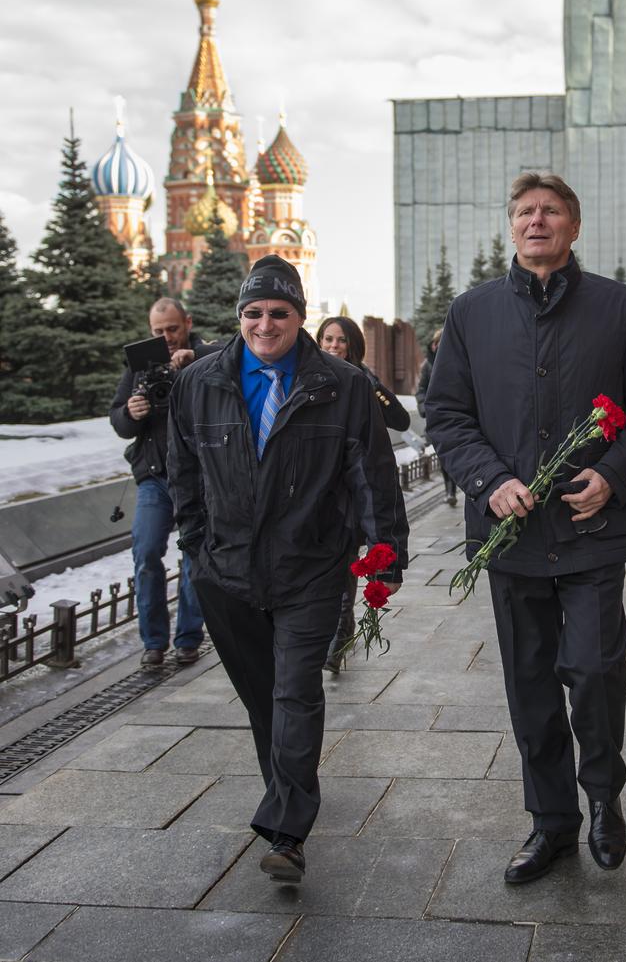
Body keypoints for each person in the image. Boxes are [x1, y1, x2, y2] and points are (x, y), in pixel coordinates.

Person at [423, 172, 626, 885]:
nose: (537, 221)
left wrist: (615, 475)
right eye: (525, 212)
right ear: (511, 226)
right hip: (511, 537)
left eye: (552, 212)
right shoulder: (471, 314)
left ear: (574, 226)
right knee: (530, 682)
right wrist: (488, 479)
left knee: (595, 670)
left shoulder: (621, 310)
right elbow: (447, 414)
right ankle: (551, 823)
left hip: (592, 528)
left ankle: (603, 796)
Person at [168, 254, 409, 885]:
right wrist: (198, 547)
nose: (265, 325)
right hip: (226, 576)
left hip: (310, 568)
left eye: (279, 313)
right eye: (253, 313)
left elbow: (372, 478)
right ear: (239, 317)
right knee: (262, 700)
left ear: (301, 317)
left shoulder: (341, 384)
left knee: (295, 692)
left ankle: (287, 829)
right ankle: (286, 799)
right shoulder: (201, 384)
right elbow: (183, 472)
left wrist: (384, 558)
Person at [108, 298, 218, 666]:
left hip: (197, 478)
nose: (167, 337)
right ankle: (153, 642)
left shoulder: (207, 355)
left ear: (187, 322)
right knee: (145, 553)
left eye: (173, 328)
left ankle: (188, 637)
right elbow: (120, 423)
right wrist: (130, 412)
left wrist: (195, 362)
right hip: (154, 477)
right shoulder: (140, 366)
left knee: (193, 555)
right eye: (159, 331)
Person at [316, 315, 411, 672]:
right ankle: (335, 633)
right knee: (333, 568)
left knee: (346, 565)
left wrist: (369, 384)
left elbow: (400, 420)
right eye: (328, 339)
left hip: (359, 490)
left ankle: (338, 639)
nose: (333, 346)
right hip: (324, 491)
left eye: (341, 341)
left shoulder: (363, 381)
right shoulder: (312, 376)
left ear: (353, 346)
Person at [415, 328, 457, 505]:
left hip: (456, 417)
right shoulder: (427, 366)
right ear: (433, 345)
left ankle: (452, 490)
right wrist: (426, 408)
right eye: (438, 343)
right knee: (444, 456)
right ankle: (449, 489)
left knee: (455, 455)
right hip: (436, 419)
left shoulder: (458, 361)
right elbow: (421, 391)